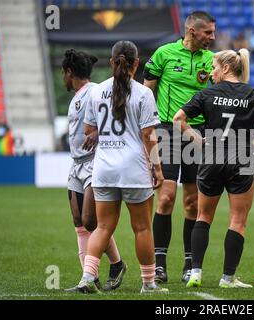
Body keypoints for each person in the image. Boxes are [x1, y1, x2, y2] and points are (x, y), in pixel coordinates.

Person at [173, 49, 254, 289]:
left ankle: (195, 273)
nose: (211, 73)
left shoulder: (208, 93)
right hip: (241, 158)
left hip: (212, 156)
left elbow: (178, 119)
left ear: (225, 68)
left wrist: (198, 140)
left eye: (213, 67)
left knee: (203, 217)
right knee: (238, 220)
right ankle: (227, 278)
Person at [70, 41, 167, 294]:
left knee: (103, 228)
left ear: (112, 62)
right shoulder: (143, 93)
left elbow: (89, 131)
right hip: (134, 169)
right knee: (142, 228)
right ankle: (148, 284)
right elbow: (149, 136)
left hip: (103, 169)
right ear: (137, 64)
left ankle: (87, 278)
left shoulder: (96, 91)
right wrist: (157, 169)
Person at [143, 11, 216, 283]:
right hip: (166, 131)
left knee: (192, 202)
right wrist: (146, 132)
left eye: (213, 32)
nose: (212, 37)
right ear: (192, 31)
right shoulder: (164, 54)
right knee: (165, 198)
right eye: (208, 32)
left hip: (199, 134)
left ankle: (189, 264)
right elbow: (145, 92)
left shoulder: (211, 60)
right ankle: (159, 264)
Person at [62, 49, 126, 291]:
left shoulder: (96, 91)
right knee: (79, 223)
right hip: (76, 164)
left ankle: (117, 264)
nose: (63, 79)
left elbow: (118, 119)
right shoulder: (79, 95)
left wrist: (98, 133)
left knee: (91, 221)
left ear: (69, 72)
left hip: (95, 162)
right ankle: (89, 279)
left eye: (63, 74)